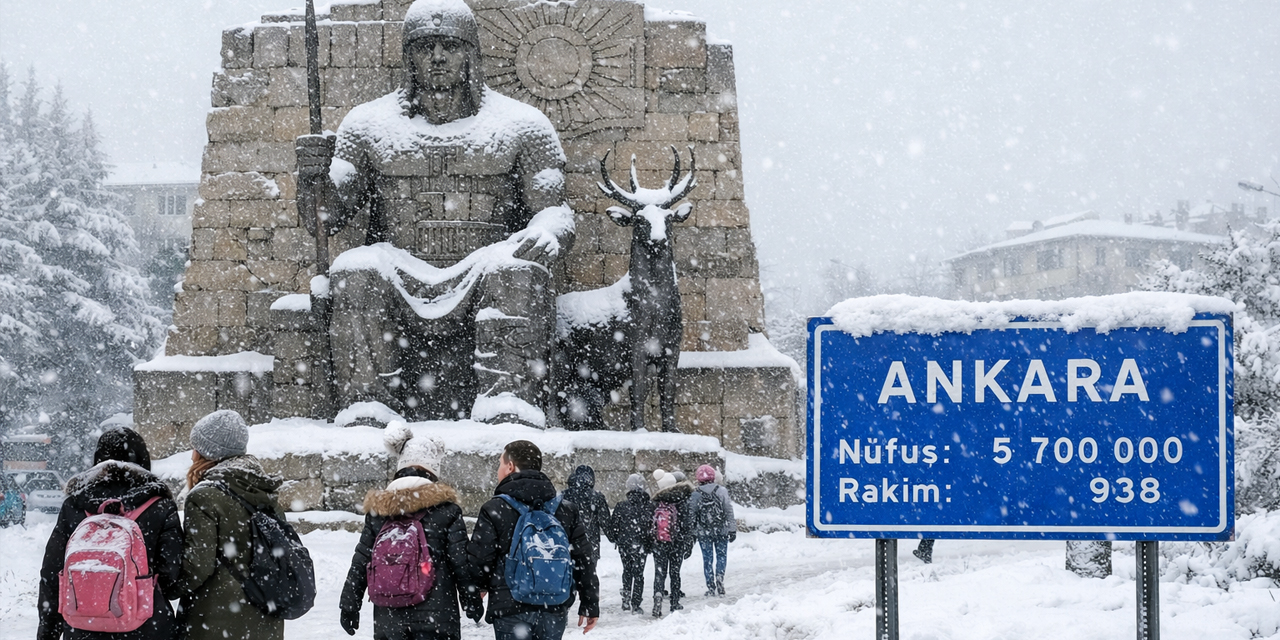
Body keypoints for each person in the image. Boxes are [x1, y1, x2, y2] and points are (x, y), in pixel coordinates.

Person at [295, 0, 576, 428]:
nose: (439, 57)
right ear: (410, 57)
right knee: (355, 266)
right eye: (426, 47)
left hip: (483, 269)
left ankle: (508, 402)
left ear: (471, 54)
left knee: (516, 266)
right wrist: (312, 178)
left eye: (450, 46)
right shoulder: (366, 124)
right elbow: (328, 217)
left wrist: (549, 233)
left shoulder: (523, 124)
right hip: (398, 269)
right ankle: (368, 405)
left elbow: (554, 209)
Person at [36, 427, 183, 640]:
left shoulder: (75, 505)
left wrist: (48, 633)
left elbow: (51, 574)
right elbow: (171, 572)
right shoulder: (160, 506)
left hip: (81, 627)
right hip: (147, 627)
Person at [339, 424, 483, 639]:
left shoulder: (379, 510)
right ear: (433, 470)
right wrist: (471, 599)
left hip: (389, 613)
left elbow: (362, 559)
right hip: (437, 613)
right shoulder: (446, 510)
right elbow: (459, 560)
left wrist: (350, 604)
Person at [465, 440, 599, 639]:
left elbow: (480, 558)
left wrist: (475, 594)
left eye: (501, 464)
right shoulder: (565, 509)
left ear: (510, 466)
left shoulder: (495, 508)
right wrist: (589, 602)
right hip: (554, 604)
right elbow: (583, 558)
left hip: (510, 605)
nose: (498, 470)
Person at [173, 410, 287, 640]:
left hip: (215, 618)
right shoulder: (262, 488)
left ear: (207, 453)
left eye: (196, 447)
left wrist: (168, 589)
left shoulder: (204, 496)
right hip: (264, 612)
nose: (192, 453)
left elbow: (198, 565)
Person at [603, 473, 652, 613]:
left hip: (625, 544)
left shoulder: (621, 506)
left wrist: (617, 538)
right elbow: (650, 527)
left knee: (627, 571)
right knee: (639, 573)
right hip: (641, 543)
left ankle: (626, 598)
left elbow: (614, 526)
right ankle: (636, 603)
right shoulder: (647, 506)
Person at [648, 469, 694, 617]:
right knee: (675, 573)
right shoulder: (682, 500)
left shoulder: (656, 502)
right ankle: (674, 602)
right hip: (677, 542)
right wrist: (688, 542)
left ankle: (658, 598)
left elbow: (649, 524)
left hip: (660, 543)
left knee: (659, 573)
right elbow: (688, 524)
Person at [688, 464, 736, 597]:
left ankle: (710, 586)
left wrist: (692, 533)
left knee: (707, 558)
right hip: (721, 529)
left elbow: (692, 515)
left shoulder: (695, 494)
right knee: (721, 556)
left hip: (704, 532)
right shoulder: (722, 491)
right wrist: (732, 528)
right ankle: (720, 577)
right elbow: (728, 510)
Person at [562, 465, 611, 561]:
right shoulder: (597, 497)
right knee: (589, 572)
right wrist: (613, 537)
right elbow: (605, 521)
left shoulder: (564, 495)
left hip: (569, 541)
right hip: (591, 543)